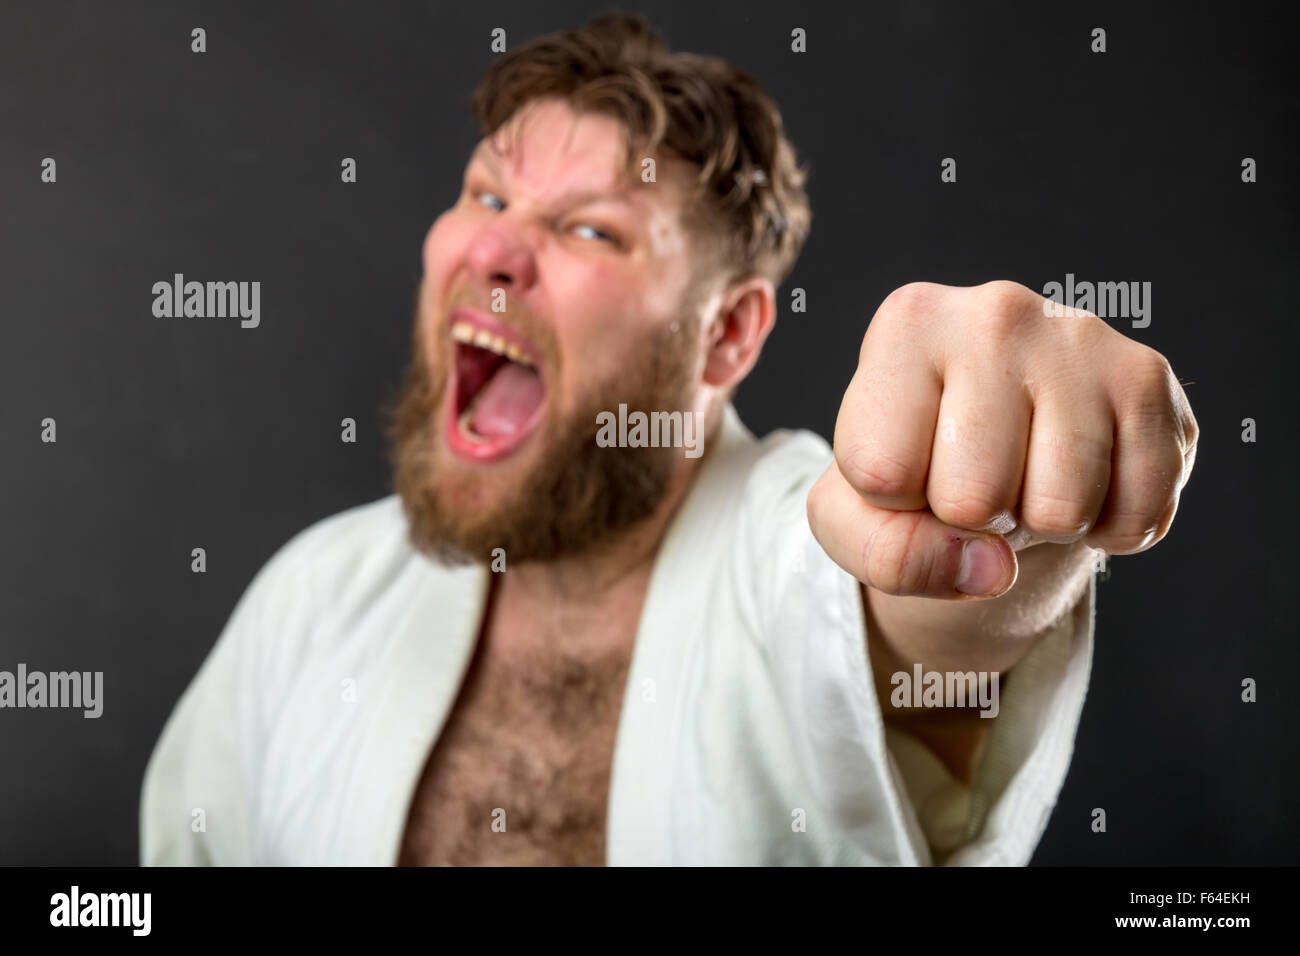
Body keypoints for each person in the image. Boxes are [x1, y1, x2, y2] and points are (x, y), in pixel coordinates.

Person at [140, 12, 1197, 866]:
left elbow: (908, 605)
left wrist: (1002, 503)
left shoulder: (790, 549)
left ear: (727, 333)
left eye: (592, 228)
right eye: (486, 194)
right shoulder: (312, 597)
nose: (498, 247)